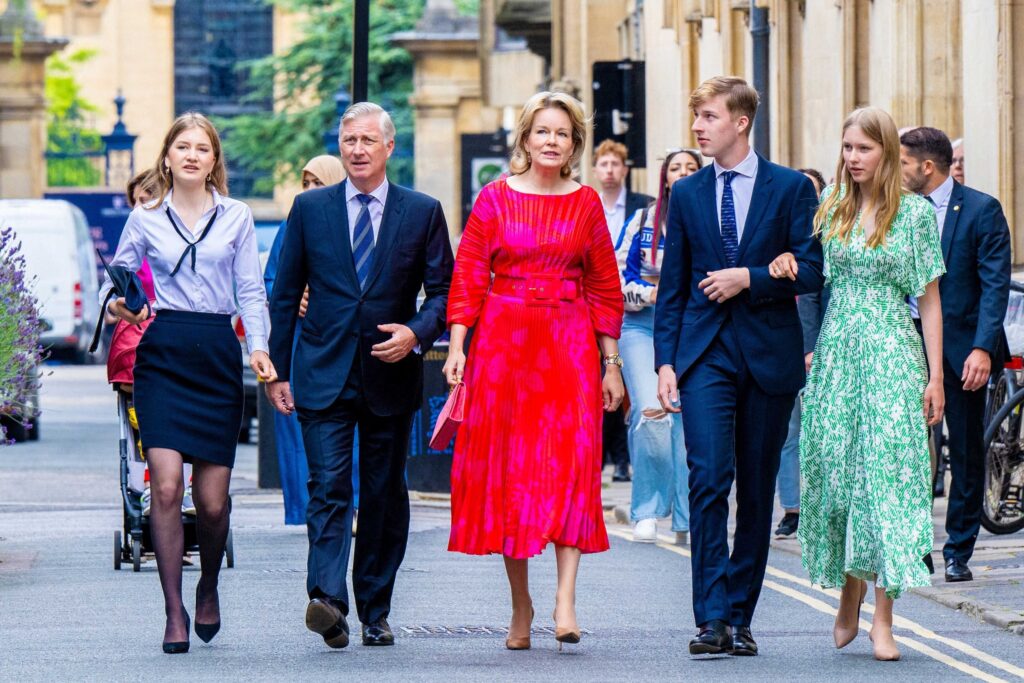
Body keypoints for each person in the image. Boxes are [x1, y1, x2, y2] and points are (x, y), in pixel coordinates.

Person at [266, 102, 453, 649]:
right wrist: (277, 371)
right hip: (322, 370)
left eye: (368, 140)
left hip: (389, 372)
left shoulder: (421, 212)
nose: (357, 149)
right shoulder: (310, 208)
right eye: (349, 140)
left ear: (389, 147)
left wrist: (416, 333)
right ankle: (327, 599)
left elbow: (443, 293)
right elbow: (284, 294)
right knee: (327, 485)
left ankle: (375, 608)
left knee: (381, 493)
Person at [444, 91, 625, 651]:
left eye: (562, 134)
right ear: (525, 139)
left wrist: (611, 364)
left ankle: (564, 599)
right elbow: (470, 275)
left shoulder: (587, 204)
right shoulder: (494, 198)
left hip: (568, 345)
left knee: (571, 465)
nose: (552, 141)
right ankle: (521, 603)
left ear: (574, 145)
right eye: (542, 131)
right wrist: (457, 347)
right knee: (513, 475)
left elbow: (603, 287)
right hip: (504, 345)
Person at [654, 76, 824, 657]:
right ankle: (711, 619)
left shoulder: (790, 188)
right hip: (704, 355)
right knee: (707, 480)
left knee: (755, 490)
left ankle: (741, 616)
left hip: (767, 354)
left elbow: (811, 270)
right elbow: (673, 284)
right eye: (697, 116)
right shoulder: (690, 192)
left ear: (740, 121)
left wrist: (749, 277)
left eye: (707, 116)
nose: (698, 127)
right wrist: (665, 362)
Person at [102, 112, 276, 653]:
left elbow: (250, 291)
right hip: (164, 351)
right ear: (168, 157)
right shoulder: (145, 216)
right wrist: (123, 309)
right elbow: (120, 288)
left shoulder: (238, 216)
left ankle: (207, 586)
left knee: (214, 502)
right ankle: (174, 611)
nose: (193, 155)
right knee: (168, 485)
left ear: (213, 159)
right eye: (183, 146)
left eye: (203, 148)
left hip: (217, 354)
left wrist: (260, 349)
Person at [784, 107, 946, 662]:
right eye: (847, 148)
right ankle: (849, 585)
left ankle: (884, 616)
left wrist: (936, 377)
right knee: (835, 472)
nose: (852, 158)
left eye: (863, 149)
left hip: (893, 354)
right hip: (837, 354)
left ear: (886, 152)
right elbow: (809, 276)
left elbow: (929, 301)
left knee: (891, 483)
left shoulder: (918, 216)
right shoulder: (832, 206)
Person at [899, 126, 1011, 583]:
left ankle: (957, 549)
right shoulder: (898, 210)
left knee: (964, 451)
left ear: (927, 166)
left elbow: (994, 285)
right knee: (906, 451)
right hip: (905, 346)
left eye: (903, 162)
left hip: (965, 350)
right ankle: (911, 547)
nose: (898, 168)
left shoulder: (982, 210)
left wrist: (983, 348)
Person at [616, 148, 700, 544]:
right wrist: (651, 294)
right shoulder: (644, 220)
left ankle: (687, 518)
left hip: (693, 328)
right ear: (664, 177)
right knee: (652, 414)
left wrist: (666, 288)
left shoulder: (713, 218)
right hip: (642, 328)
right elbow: (617, 278)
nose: (682, 173)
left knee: (687, 423)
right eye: (675, 168)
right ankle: (647, 510)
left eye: (691, 168)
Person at [263, 155, 345, 526]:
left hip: (342, 338)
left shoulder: (353, 223)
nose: (311, 191)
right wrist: (295, 297)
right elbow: (272, 283)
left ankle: (352, 504)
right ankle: (304, 506)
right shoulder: (292, 223)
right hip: (299, 343)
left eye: (320, 182)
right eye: (306, 183)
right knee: (295, 421)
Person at [115, 169, 196, 519]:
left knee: (187, 416)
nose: (140, 206)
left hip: (178, 335)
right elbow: (114, 288)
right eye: (135, 200)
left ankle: (186, 487)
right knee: (144, 420)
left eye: (146, 197)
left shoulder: (177, 235)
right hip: (137, 339)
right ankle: (149, 484)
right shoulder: (134, 239)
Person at [592, 138, 652, 483]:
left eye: (616, 164)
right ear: (596, 170)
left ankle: (624, 459)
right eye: (604, 164)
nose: (611, 170)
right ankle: (604, 456)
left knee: (626, 384)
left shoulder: (642, 207)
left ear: (625, 169)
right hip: (598, 302)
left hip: (633, 303)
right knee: (604, 377)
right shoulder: (588, 203)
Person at [773, 167, 828, 539]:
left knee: (818, 433)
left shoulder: (826, 238)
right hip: (780, 343)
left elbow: (817, 296)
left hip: (818, 346)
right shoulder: (777, 235)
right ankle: (792, 507)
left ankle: (818, 508)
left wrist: (813, 346)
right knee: (787, 432)